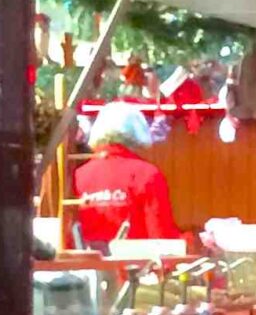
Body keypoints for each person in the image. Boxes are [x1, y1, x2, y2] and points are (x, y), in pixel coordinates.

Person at [72, 103, 180, 250]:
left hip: (84, 270)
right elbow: (163, 241)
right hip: (136, 269)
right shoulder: (147, 175)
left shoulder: (77, 177)